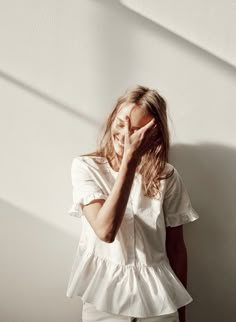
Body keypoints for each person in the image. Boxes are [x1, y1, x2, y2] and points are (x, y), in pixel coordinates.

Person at [66, 85, 199, 322]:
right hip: (104, 300)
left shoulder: (166, 176)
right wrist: (129, 159)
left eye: (136, 130)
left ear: (154, 135)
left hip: (158, 300)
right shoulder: (86, 168)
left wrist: (182, 313)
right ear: (111, 119)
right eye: (120, 123)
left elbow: (177, 248)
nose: (126, 135)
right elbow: (105, 231)